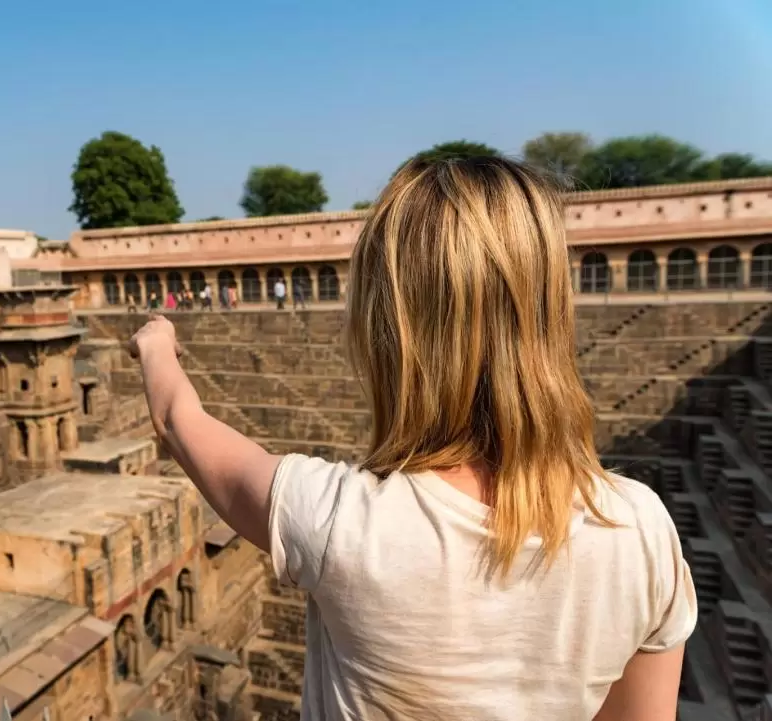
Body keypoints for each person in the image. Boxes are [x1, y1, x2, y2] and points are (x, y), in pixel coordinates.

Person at [127, 156, 696, 721]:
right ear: (551, 313)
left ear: (388, 331)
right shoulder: (640, 529)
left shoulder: (336, 521)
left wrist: (157, 341)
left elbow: (179, 420)